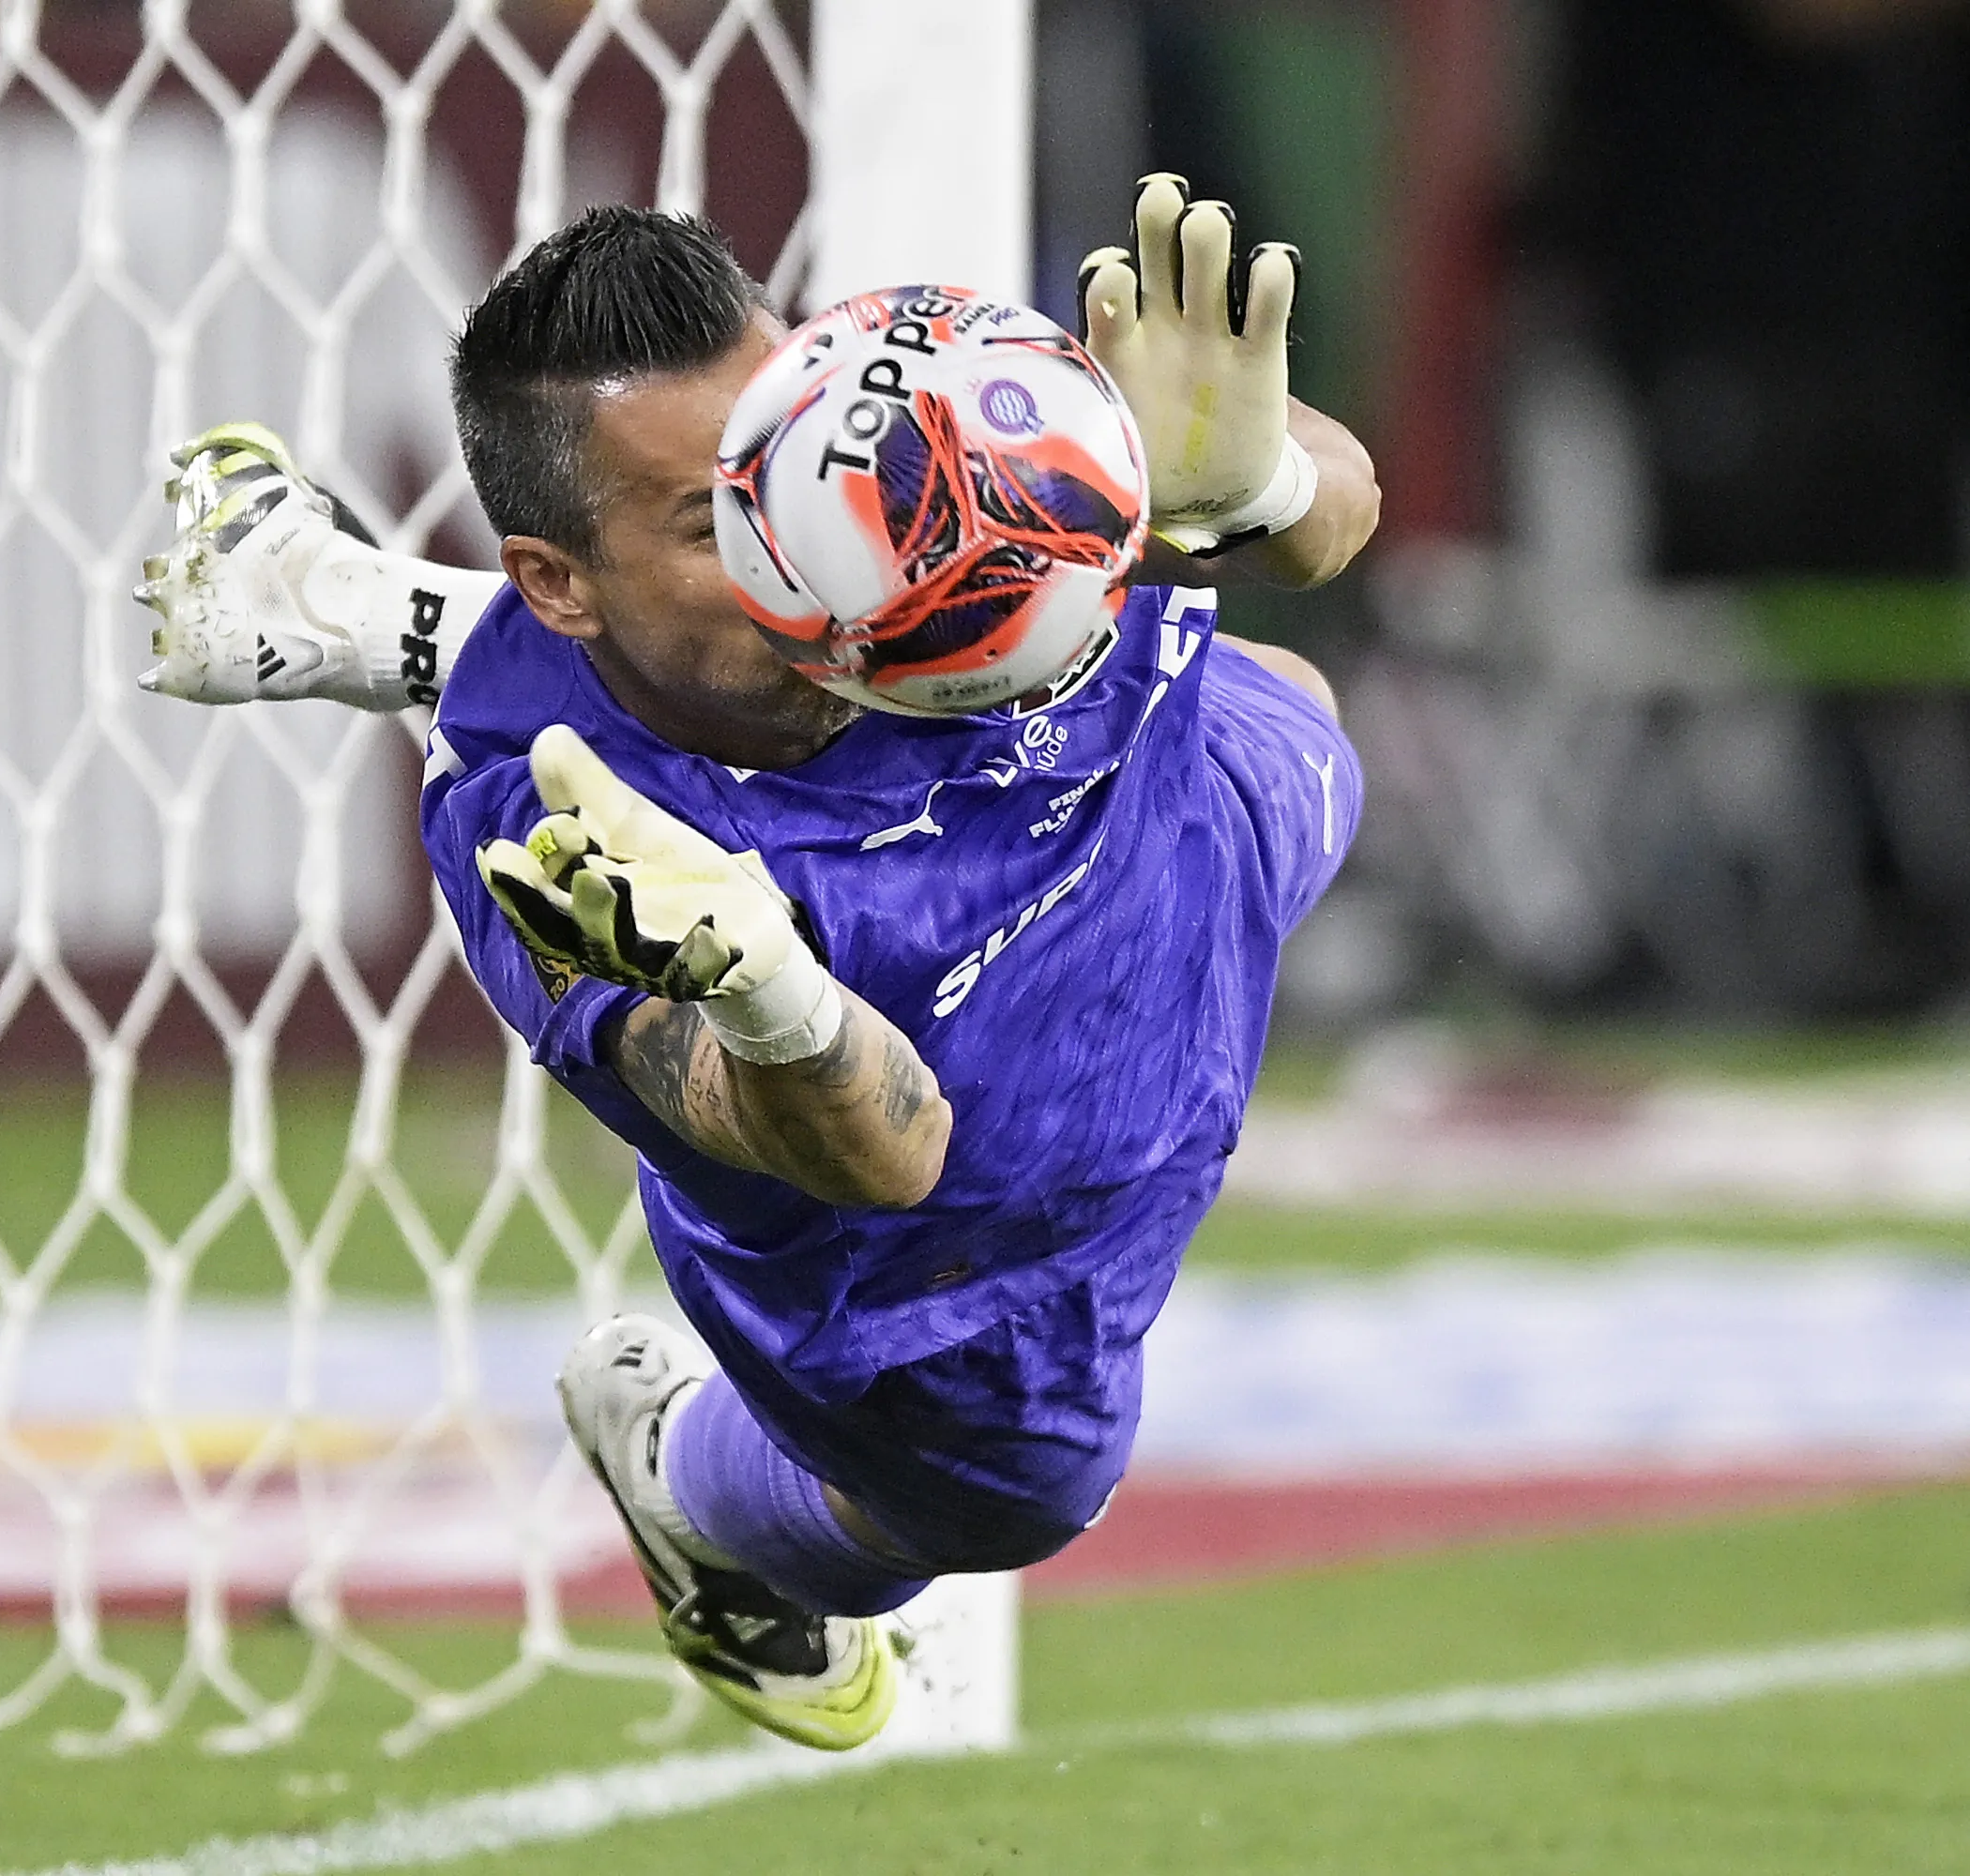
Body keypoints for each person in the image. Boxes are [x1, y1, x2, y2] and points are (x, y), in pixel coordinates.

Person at [137, 178, 1379, 1751]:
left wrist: (1255, 485)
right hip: (951, 1263)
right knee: (1013, 1497)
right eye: (706, 523)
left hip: (1161, 856)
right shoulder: (555, 832)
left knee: (1297, 705)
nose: (797, 539)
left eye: (773, 466)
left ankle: (366, 609)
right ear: (560, 578)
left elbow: (1335, 521)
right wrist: (766, 991)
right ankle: (682, 1476)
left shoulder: (894, 448)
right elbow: (887, 1156)